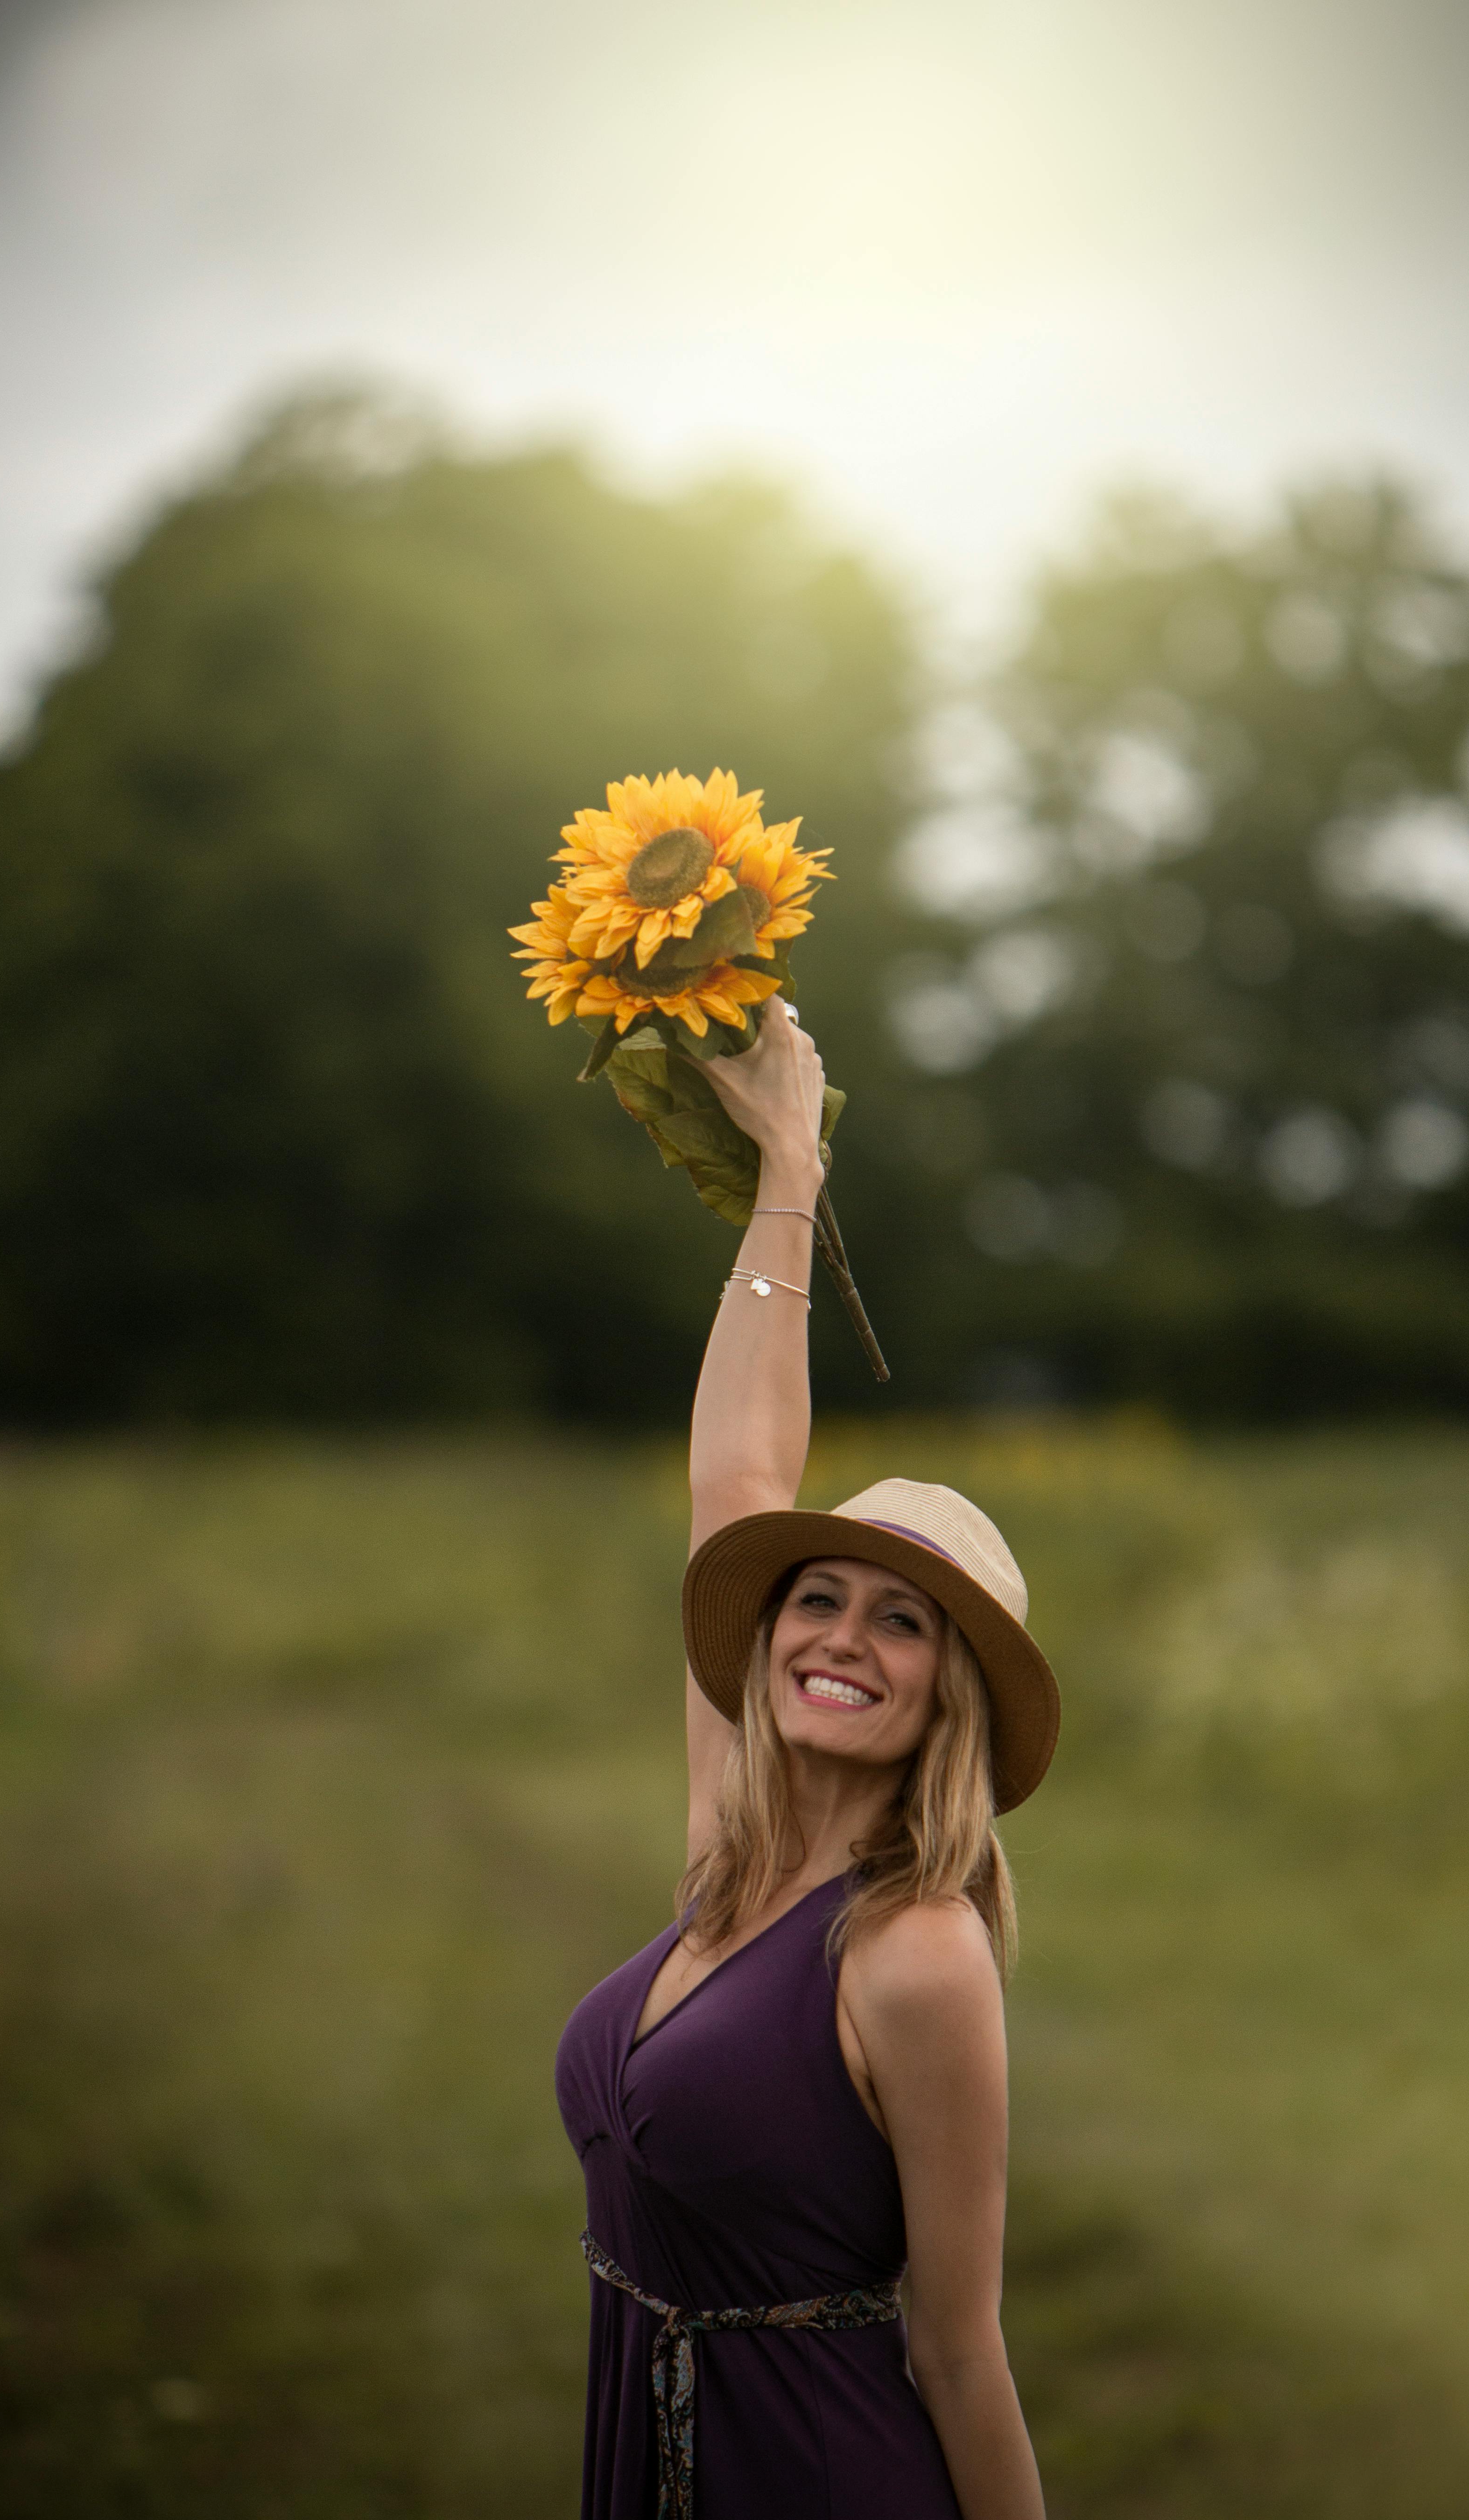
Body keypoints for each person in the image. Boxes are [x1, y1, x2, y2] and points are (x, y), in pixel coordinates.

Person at [555, 997, 1058, 2520]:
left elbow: (964, 2352)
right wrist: (787, 1168)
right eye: (817, 1598)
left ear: (948, 1697)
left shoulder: (915, 1953)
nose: (839, 1637)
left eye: (901, 1622)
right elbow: (740, 1479)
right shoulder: (735, 1840)